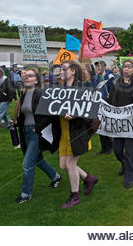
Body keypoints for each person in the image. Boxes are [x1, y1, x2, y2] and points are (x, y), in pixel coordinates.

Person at [36, 61, 98, 209]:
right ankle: (88, 178)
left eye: (64, 69)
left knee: (70, 164)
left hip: (77, 132)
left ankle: (74, 196)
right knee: (63, 165)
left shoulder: (82, 89)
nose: (61, 72)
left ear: (73, 71)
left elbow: (91, 112)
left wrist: (76, 115)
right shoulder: (59, 89)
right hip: (63, 132)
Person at [12, 68, 62, 204]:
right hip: (25, 132)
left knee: (27, 164)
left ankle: (26, 193)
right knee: (38, 160)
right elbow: (24, 114)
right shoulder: (23, 95)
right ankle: (56, 177)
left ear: (36, 79)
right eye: (25, 76)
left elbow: (49, 115)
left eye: (30, 76)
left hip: (37, 133)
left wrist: (37, 128)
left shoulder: (41, 93)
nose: (26, 78)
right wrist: (17, 122)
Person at [107, 59, 133, 189]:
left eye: (129, 67)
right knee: (117, 150)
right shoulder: (115, 83)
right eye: (125, 67)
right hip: (118, 123)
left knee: (130, 152)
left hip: (131, 124)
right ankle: (124, 164)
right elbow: (110, 101)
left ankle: (129, 177)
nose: (126, 69)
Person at [91, 60, 114, 155]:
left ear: (104, 66)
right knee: (99, 126)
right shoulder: (96, 78)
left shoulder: (110, 77)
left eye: (99, 66)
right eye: (97, 66)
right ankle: (104, 147)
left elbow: (113, 90)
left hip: (107, 103)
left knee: (106, 126)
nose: (98, 68)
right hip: (98, 104)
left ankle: (110, 146)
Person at [0, 67, 15, 133]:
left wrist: (11, 98)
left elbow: (10, 89)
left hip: (6, 99)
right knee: (4, 114)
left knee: (0, 113)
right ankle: (9, 125)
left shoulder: (6, 79)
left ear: (1, 72)